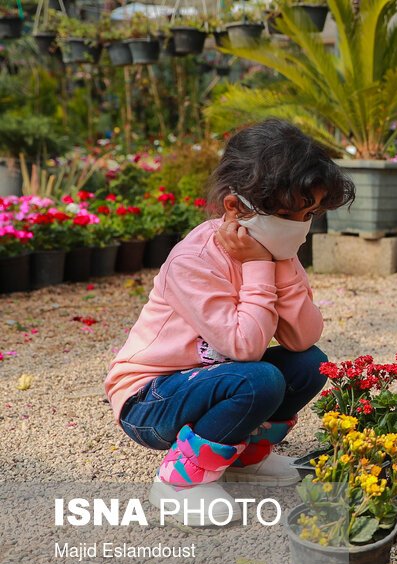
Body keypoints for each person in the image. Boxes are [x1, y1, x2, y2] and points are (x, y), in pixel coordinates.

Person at [105, 119, 355, 526]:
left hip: (212, 381)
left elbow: (303, 337)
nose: (302, 227)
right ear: (236, 208)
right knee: (258, 379)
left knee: (310, 364)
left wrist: (281, 263)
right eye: (289, 215)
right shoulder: (194, 261)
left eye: (310, 214)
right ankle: (179, 480)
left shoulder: (275, 250)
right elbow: (245, 349)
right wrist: (258, 265)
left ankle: (242, 457)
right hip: (150, 399)